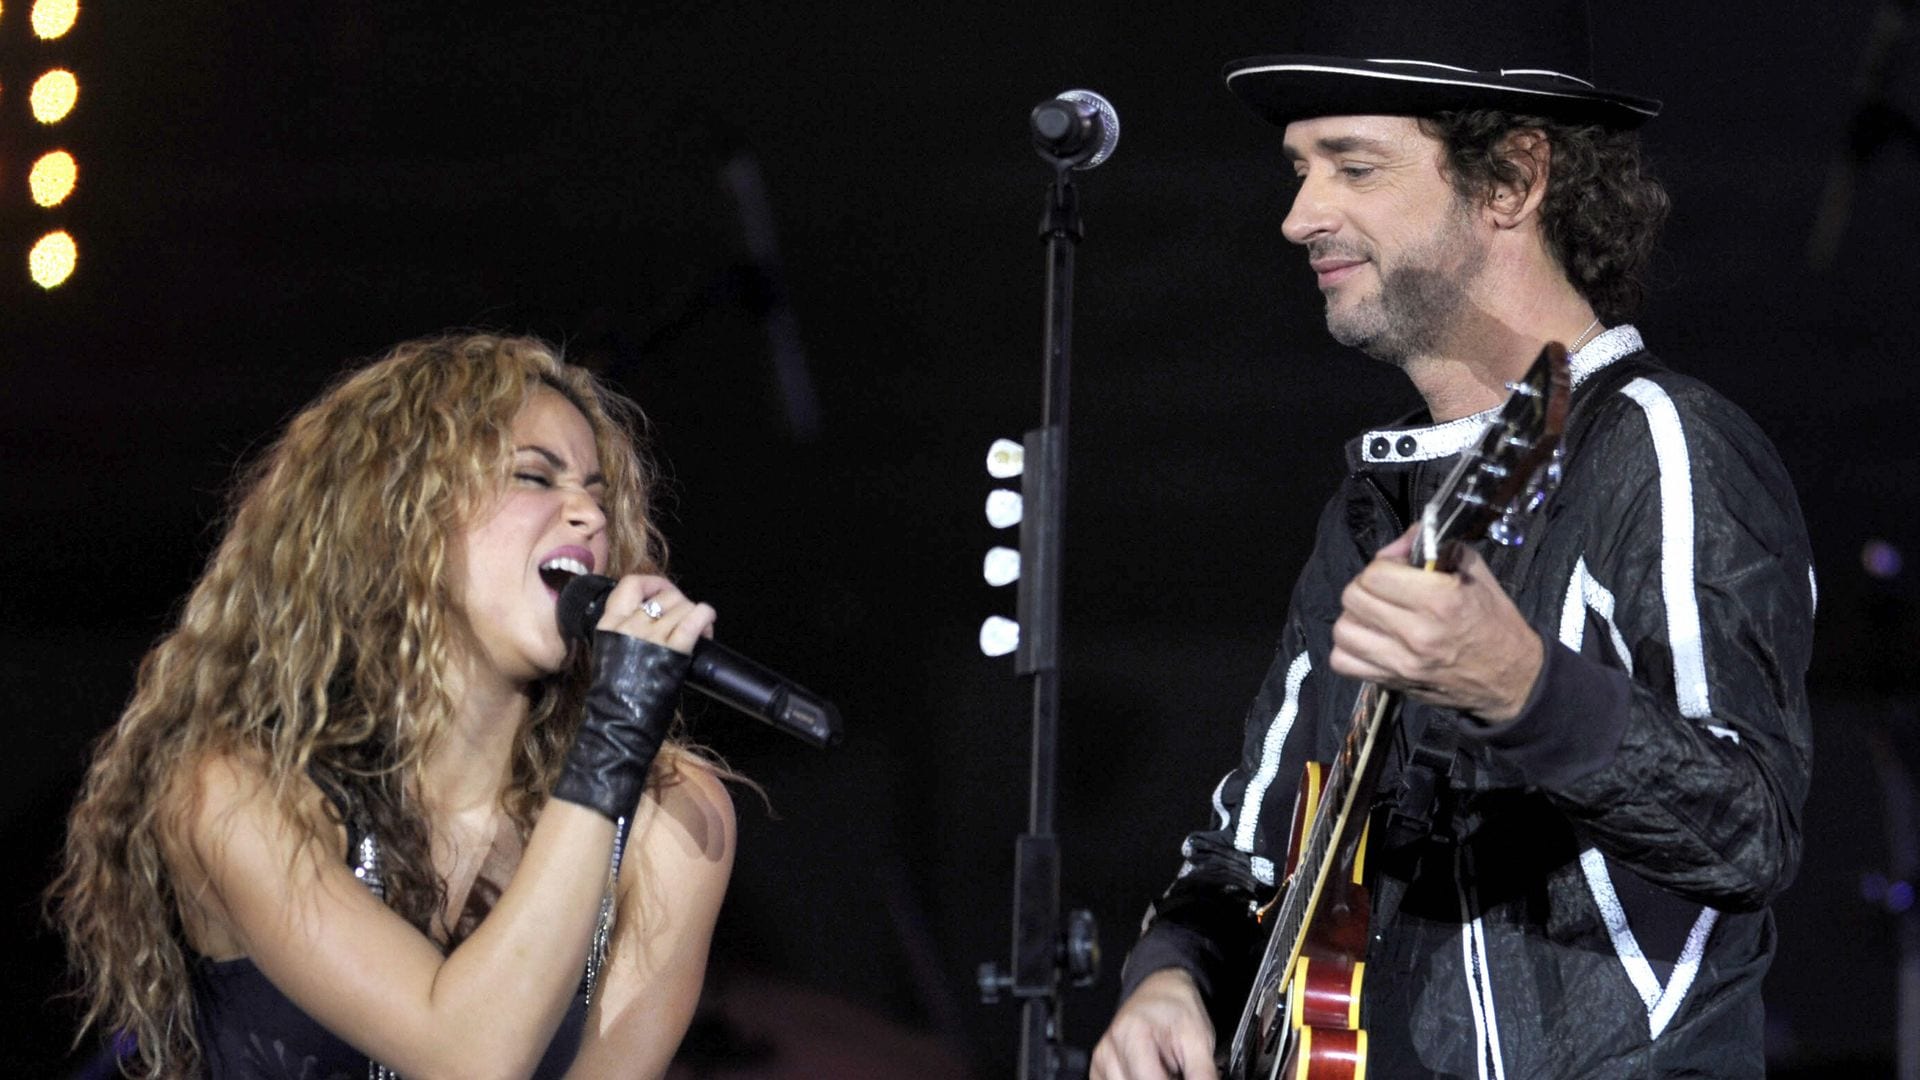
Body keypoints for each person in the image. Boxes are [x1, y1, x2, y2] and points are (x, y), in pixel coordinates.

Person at [1091, 1, 1814, 1076]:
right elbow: (1249, 850)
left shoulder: (1660, 443)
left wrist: (1527, 689)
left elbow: (1751, 829)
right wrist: (1171, 972)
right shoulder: (1375, 506)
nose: (1299, 216)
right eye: (1300, 170)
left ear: (1512, 180)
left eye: (1353, 167)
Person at [54, 333, 737, 1079]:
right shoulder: (237, 795)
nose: (588, 515)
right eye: (533, 476)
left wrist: (615, 743)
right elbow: (466, 1057)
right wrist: (612, 738)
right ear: (401, 517)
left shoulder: (670, 821)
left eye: (598, 494)